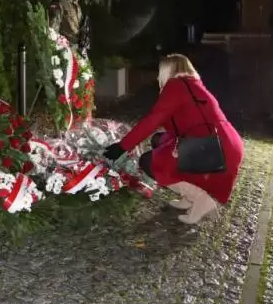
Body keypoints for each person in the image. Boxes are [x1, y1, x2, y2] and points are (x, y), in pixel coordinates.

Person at [102, 53, 244, 224]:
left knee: (149, 162)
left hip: (212, 148)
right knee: (158, 140)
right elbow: (174, 126)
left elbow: (152, 120)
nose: (157, 77)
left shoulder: (176, 86)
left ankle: (201, 199)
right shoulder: (192, 85)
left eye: (160, 72)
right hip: (225, 144)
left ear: (168, 70)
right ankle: (189, 197)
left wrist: (123, 146)